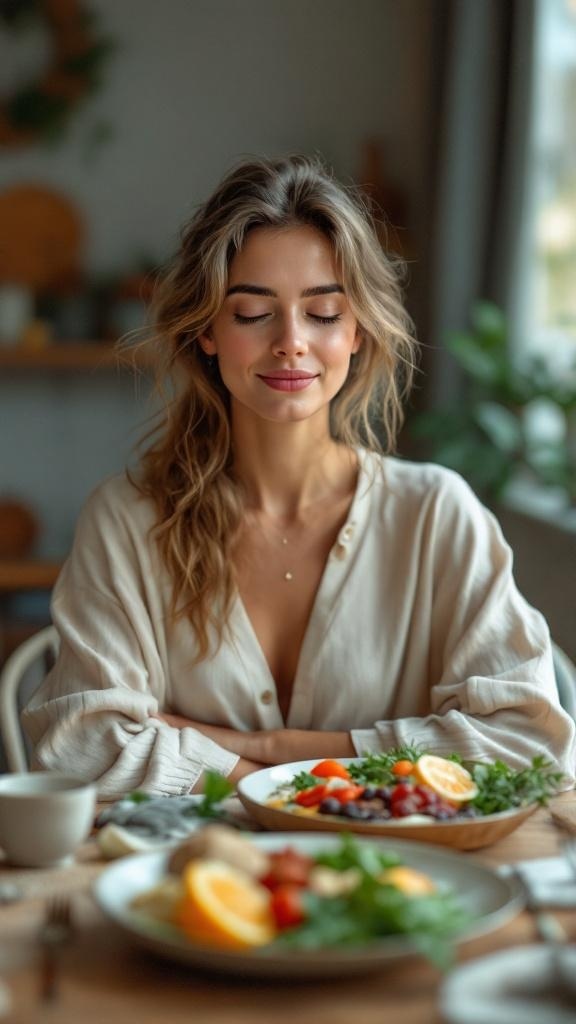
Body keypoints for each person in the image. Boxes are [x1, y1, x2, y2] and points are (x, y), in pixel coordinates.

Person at [22, 155, 575, 799]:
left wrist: (267, 752)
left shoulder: (437, 516)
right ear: (207, 329)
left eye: (323, 313)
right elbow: (76, 745)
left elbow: (532, 745)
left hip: (394, 882)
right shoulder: (126, 520)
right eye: (254, 312)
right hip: (188, 882)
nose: (290, 341)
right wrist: (287, 782)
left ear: (359, 330)